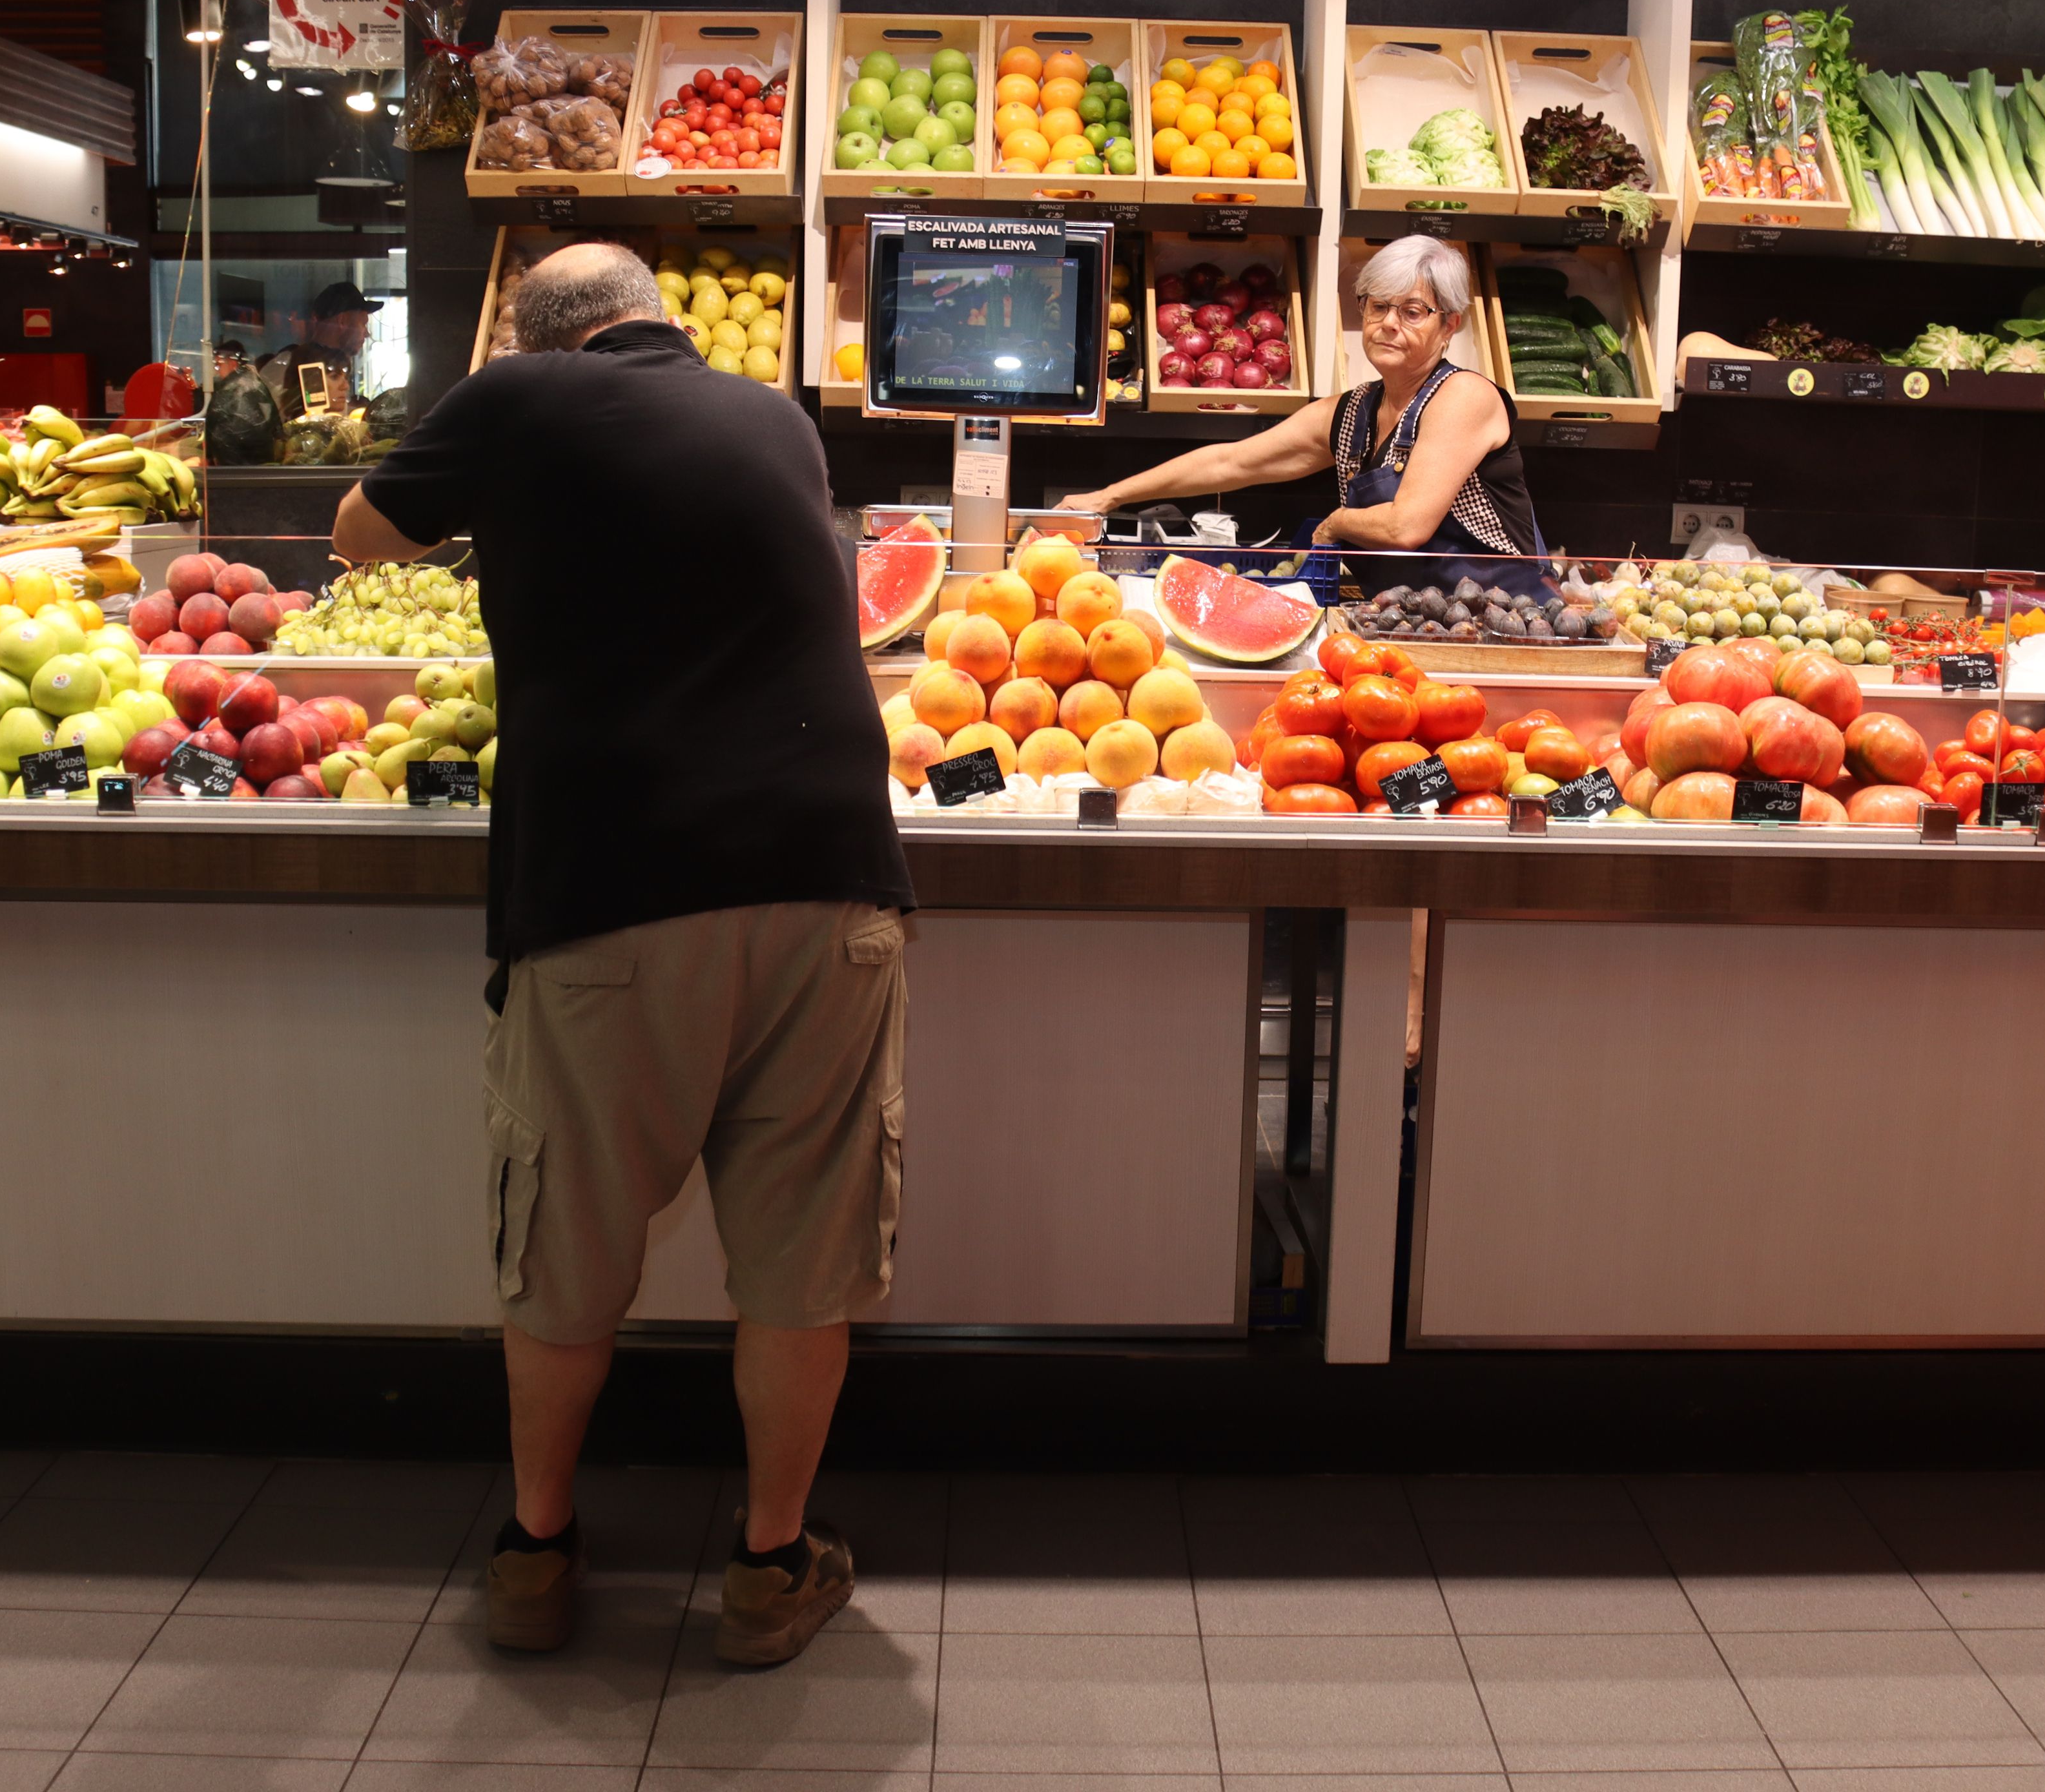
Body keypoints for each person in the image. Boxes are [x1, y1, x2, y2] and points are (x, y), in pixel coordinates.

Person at [330, 244, 915, 1669]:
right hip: (830, 885)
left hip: (612, 886)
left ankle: (539, 1552)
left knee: (569, 1251)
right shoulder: (777, 411)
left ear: (542, 340)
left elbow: (360, 537)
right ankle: (772, 1565)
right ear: (660, 322)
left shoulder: (512, 397)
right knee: (799, 1260)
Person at [1056, 236, 1548, 597]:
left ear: (1450, 326)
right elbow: (1232, 463)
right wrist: (1105, 499)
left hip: (1502, 632)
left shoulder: (1465, 396)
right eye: (1378, 307)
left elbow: (1406, 526)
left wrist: (1337, 522)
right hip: (1406, 629)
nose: (1389, 325)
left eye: (1414, 311)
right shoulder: (1352, 411)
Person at [260, 282, 380, 420]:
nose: (367, 334)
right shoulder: (285, 368)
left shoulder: (337, 369)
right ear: (342, 321)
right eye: (363, 324)